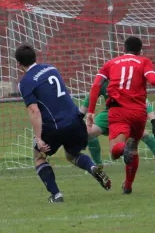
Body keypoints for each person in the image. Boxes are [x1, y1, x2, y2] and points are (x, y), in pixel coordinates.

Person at [86, 36, 155, 194]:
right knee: (134, 148)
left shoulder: (110, 63)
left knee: (115, 151)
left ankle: (123, 149)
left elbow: (96, 85)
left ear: (123, 49)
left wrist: (90, 111)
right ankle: (128, 185)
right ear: (140, 51)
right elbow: (154, 80)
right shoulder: (144, 61)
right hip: (138, 112)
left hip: (118, 110)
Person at [15, 44, 111, 202]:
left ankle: (56, 194)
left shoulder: (25, 82)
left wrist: (38, 138)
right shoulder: (51, 69)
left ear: (19, 64)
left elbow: (34, 111)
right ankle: (92, 167)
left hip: (54, 126)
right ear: (35, 57)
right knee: (72, 155)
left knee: (39, 156)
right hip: (74, 120)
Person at [79, 81, 155, 170]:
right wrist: (77, 119)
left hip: (128, 113)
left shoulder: (130, 80)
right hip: (109, 114)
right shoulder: (103, 81)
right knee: (88, 133)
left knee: (145, 135)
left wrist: (154, 124)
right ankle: (98, 164)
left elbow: (145, 103)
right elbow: (89, 99)